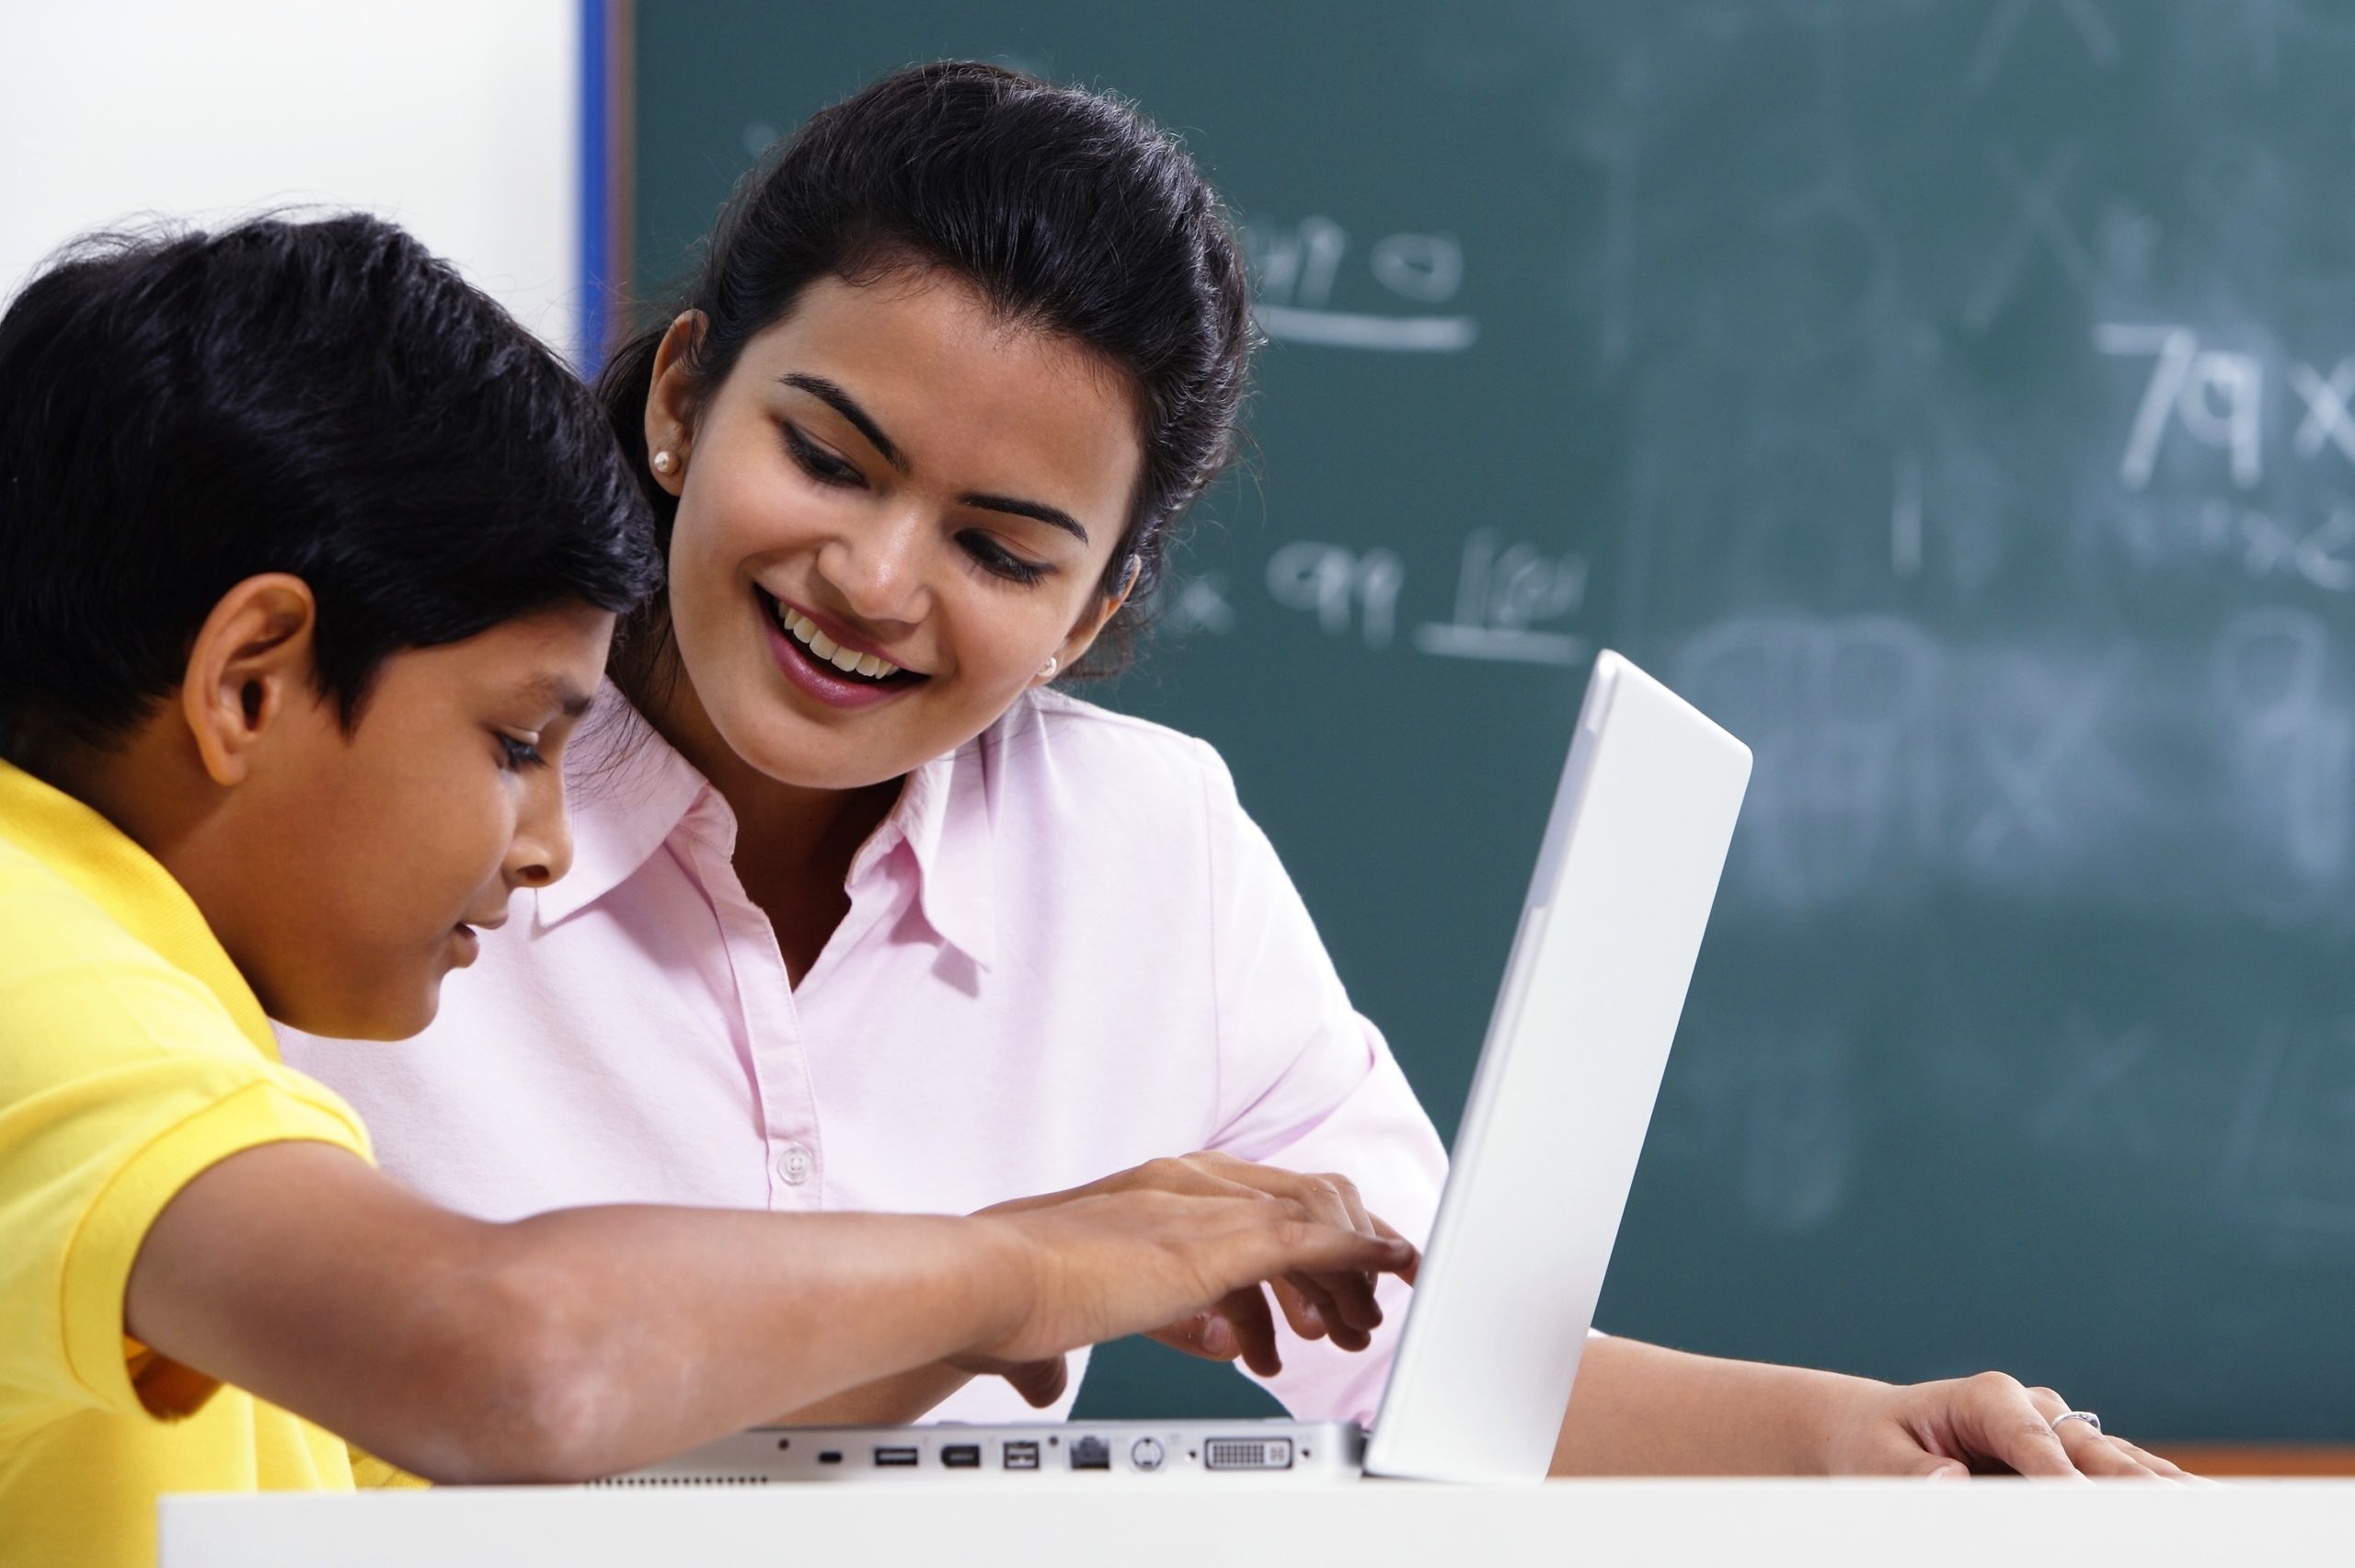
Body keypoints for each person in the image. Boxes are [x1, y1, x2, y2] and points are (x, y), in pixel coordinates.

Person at [287, 63, 2189, 1479]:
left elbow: (1429, 1355)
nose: (872, 582)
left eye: (1002, 548)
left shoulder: (1146, 848)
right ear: (688, 395)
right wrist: (1021, 1267)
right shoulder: (384, 781)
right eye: (834, 455)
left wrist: (1866, 1437)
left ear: (1096, 606)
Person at [0, 213, 1420, 1568]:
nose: (548, 842)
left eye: (998, 546)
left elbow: (515, 1490)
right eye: (514, 743)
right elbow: (513, 1367)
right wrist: (1021, 1271)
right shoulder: (37, 960)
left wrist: (967, 1324)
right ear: (251, 681)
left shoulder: (153, 996)